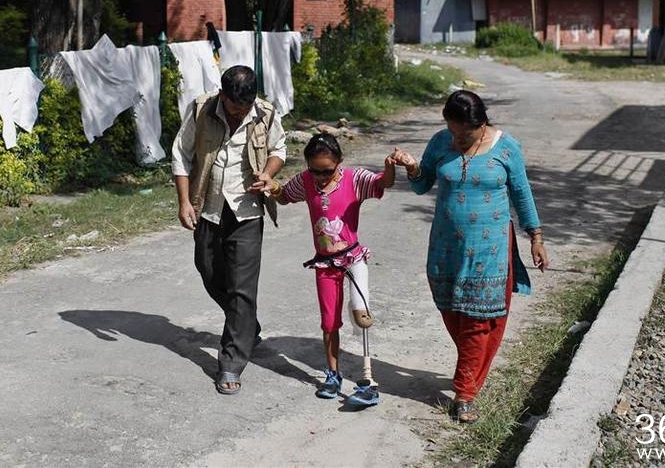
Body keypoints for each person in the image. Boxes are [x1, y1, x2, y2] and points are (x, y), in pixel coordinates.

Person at [390, 90, 549, 424]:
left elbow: (522, 195)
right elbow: (422, 186)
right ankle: (473, 370)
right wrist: (411, 167)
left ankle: (464, 394)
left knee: (477, 320)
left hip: (489, 252)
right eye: (453, 131)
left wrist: (535, 236)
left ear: (482, 123)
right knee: (453, 313)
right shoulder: (439, 142)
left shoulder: (507, 148)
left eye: (466, 133)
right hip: (445, 248)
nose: (458, 139)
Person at [171, 65, 287, 395]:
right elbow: (181, 154)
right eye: (236, 107)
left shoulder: (264, 112)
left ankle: (231, 362)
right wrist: (183, 202)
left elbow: (279, 149)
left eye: (246, 107)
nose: (241, 113)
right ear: (223, 96)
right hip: (208, 205)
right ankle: (246, 324)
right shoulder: (201, 108)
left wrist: (268, 173)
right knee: (208, 271)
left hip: (248, 211)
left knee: (241, 287)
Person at [261, 132, 394, 406]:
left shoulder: (355, 179)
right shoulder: (306, 181)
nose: (320, 177)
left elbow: (383, 183)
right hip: (324, 263)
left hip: (353, 258)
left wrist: (391, 166)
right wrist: (271, 185)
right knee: (329, 321)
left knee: (362, 314)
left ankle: (368, 380)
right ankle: (333, 375)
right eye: (315, 170)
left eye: (327, 171)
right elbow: (285, 196)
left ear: (339, 163)